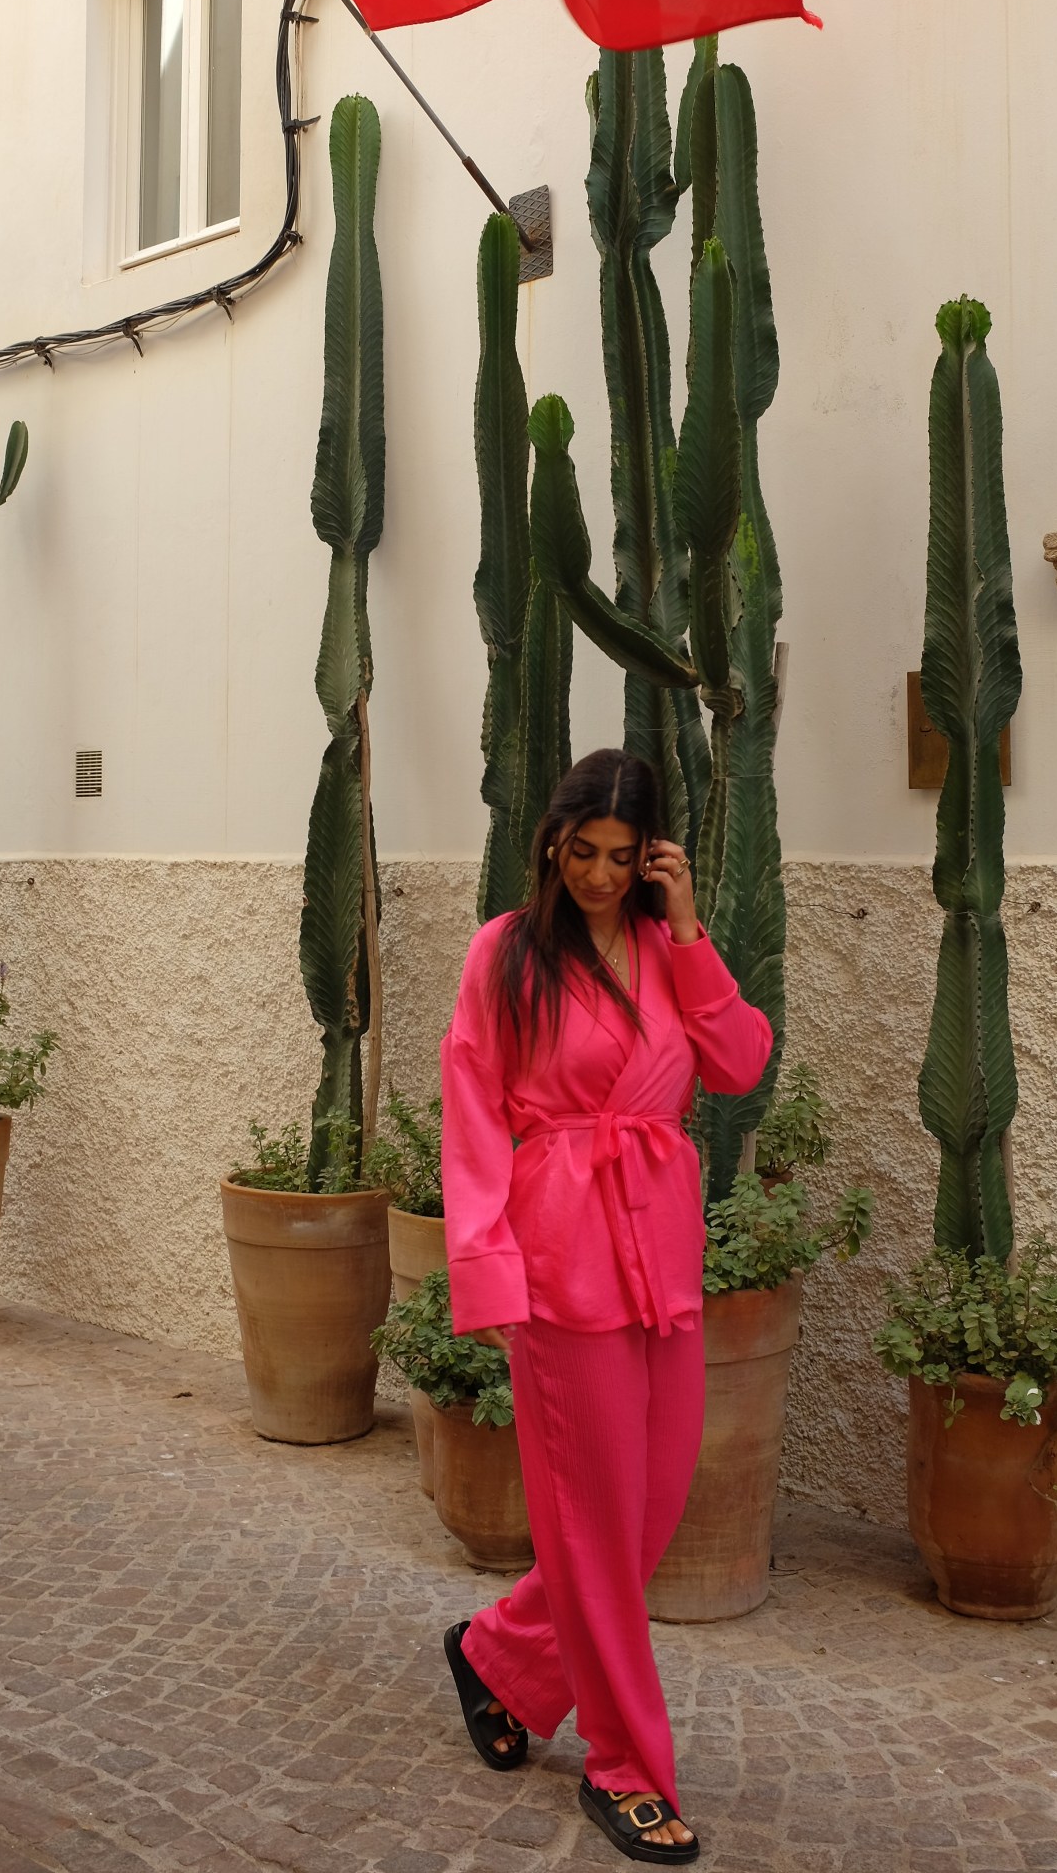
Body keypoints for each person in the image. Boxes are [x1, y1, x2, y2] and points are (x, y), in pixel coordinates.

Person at [438, 748, 774, 1864]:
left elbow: (737, 1065)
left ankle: (502, 1658)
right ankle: (626, 1767)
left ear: (651, 859)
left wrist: (687, 928)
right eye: (582, 851)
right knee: (593, 1525)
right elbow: (475, 1108)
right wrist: (489, 1270)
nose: (596, 874)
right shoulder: (508, 953)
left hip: (659, 1251)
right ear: (551, 841)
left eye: (622, 858)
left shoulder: (662, 948)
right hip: (560, 1257)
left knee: (649, 1509)